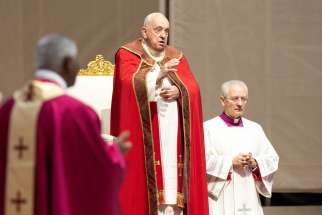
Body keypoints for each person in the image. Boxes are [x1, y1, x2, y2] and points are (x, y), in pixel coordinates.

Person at [0, 34, 131, 215]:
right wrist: (115, 153)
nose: (77, 67)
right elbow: (98, 170)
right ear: (68, 63)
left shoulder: (8, 109)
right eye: (76, 61)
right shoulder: (75, 113)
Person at [110, 12, 209, 215]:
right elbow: (127, 83)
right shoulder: (128, 53)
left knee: (173, 191)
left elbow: (193, 89)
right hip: (145, 130)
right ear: (144, 32)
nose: (163, 35)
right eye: (158, 30)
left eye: (166, 31)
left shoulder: (176, 56)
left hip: (173, 133)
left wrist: (179, 91)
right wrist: (157, 75)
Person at [204, 80, 279, 215]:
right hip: (221, 197)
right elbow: (199, 161)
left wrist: (255, 162)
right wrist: (230, 162)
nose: (240, 103)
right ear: (222, 100)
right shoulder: (208, 128)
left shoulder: (255, 128)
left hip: (249, 194)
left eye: (243, 99)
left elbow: (272, 159)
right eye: (235, 98)